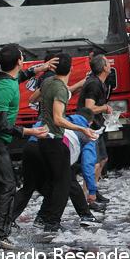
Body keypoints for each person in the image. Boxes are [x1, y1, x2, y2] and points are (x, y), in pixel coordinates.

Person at [0, 45, 49, 248]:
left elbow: (21, 76)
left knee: (5, 185)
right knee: (8, 185)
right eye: (22, 57)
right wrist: (29, 131)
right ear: (18, 61)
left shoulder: (5, 78)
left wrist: (41, 67)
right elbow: (1, 124)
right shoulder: (5, 87)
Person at [37, 53, 97, 232]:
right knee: (64, 183)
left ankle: (49, 217)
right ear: (71, 69)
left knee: (65, 180)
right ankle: (51, 221)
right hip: (55, 140)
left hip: (43, 140)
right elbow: (58, 119)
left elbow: (33, 99)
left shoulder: (48, 83)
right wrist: (82, 129)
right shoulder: (60, 89)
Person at [12, 108, 100, 228]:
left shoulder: (60, 118)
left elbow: (38, 125)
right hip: (54, 149)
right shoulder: (87, 133)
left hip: (31, 147)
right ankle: (58, 220)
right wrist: (92, 190)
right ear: (90, 123)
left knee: (29, 187)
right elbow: (88, 164)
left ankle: (7, 219)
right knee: (65, 183)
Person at [78, 54, 114, 204]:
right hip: (89, 127)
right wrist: (105, 108)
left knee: (103, 159)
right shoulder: (94, 84)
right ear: (104, 68)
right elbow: (89, 107)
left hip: (96, 126)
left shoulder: (100, 82)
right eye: (108, 62)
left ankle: (93, 191)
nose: (110, 64)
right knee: (95, 163)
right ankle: (87, 198)